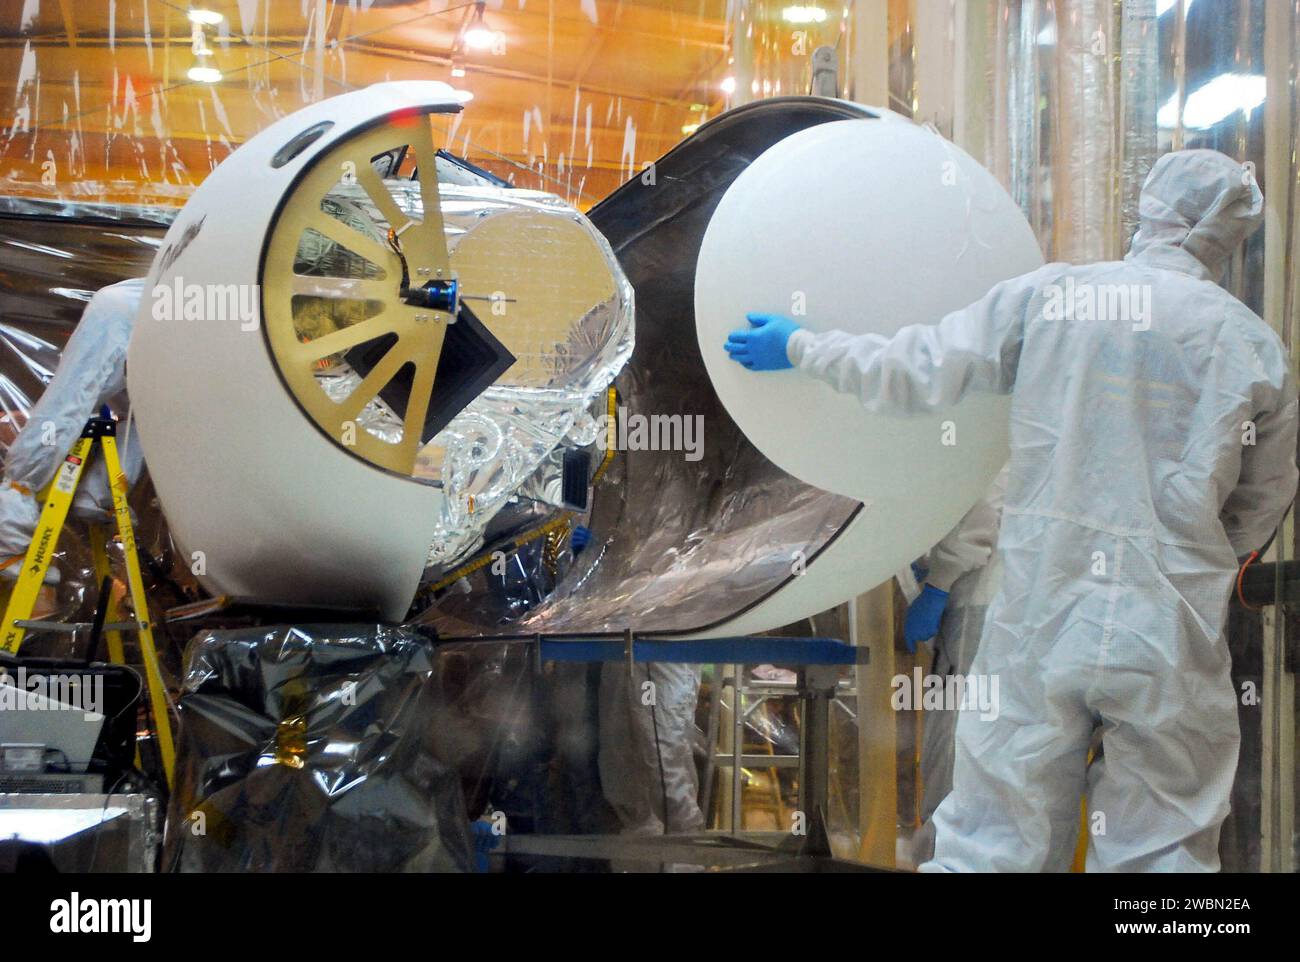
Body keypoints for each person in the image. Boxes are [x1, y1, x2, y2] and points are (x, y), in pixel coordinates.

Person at [724, 149, 1298, 872]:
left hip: (1039, 614)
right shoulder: (1253, 347)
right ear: (1227, 237)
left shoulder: (1056, 297)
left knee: (992, 841)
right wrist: (1196, 556)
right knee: (1166, 848)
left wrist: (802, 345)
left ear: (1148, 212)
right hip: (1171, 627)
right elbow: (1261, 503)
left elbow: (919, 367)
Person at [905, 465, 1007, 866]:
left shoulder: (952, 417)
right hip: (985, 603)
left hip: (975, 601)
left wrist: (938, 582)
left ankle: (944, 858)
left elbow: (977, 501)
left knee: (954, 768)